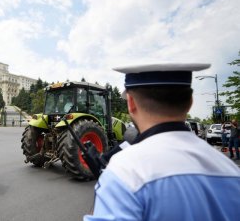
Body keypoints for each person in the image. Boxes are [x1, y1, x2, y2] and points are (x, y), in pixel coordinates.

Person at [84, 63, 240, 221]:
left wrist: (103, 185)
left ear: (131, 103)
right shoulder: (231, 171)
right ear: (190, 102)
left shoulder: (124, 171)